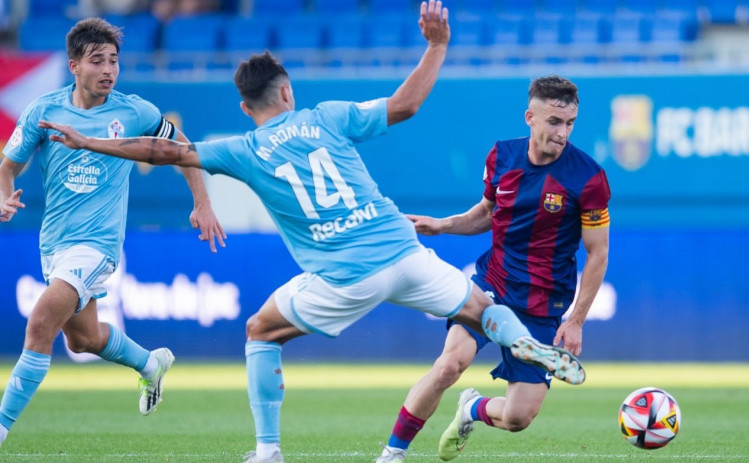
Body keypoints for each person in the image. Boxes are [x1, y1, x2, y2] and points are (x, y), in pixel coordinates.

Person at [38, 4, 586, 462]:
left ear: (244, 106)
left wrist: (90, 142)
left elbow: (163, 149)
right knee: (481, 307)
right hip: (402, 248)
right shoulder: (327, 116)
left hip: (346, 274)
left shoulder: (242, 148)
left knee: (260, 330)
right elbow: (407, 105)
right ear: (287, 93)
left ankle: (268, 450)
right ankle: (520, 341)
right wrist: (437, 46)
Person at [0, 17, 224, 448]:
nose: (108, 70)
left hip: (98, 245)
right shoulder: (43, 111)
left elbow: (181, 149)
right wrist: (4, 196)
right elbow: (7, 168)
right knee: (83, 338)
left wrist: (202, 201)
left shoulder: (133, 111)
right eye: (97, 60)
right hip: (56, 243)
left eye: (114, 61)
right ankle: (149, 363)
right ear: (73, 66)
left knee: (41, 322)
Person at [377, 76, 611, 462]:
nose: (563, 132)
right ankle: (391, 455)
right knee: (448, 365)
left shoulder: (588, 178)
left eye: (570, 123)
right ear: (530, 117)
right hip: (491, 288)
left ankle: (471, 409)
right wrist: (444, 224)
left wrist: (577, 320)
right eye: (554, 121)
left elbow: (598, 253)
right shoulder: (501, 157)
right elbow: (486, 213)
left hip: (542, 305)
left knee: (519, 417)